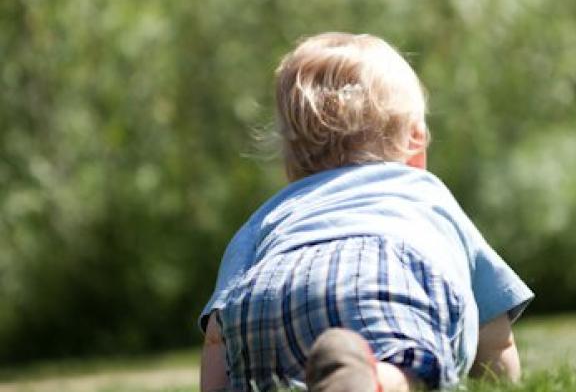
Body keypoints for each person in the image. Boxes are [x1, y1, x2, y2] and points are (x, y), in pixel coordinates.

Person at [199, 32, 534, 392]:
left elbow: (219, 336)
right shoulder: (424, 195)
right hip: (385, 270)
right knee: (406, 367)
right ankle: (374, 381)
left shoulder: (269, 216)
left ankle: (338, 378)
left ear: (288, 159)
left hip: (269, 291)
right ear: (416, 141)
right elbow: (495, 334)